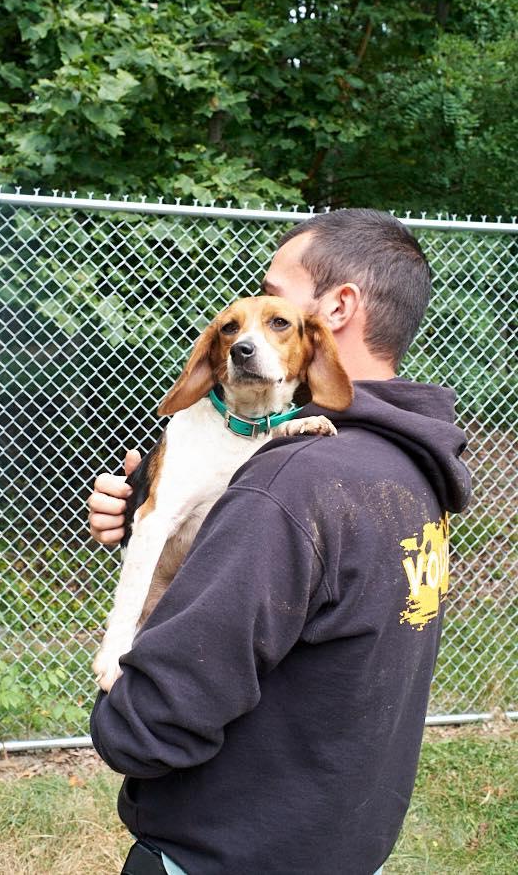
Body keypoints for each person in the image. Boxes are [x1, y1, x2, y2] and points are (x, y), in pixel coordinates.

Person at [88, 209, 471, 875]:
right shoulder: (410, 467)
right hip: (346, 842)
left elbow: (148, 728)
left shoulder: (289, 483)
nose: (249, 331)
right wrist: (157, 524)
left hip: (223, 850)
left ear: (337, 307)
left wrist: (118, 710)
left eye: (275, 296)